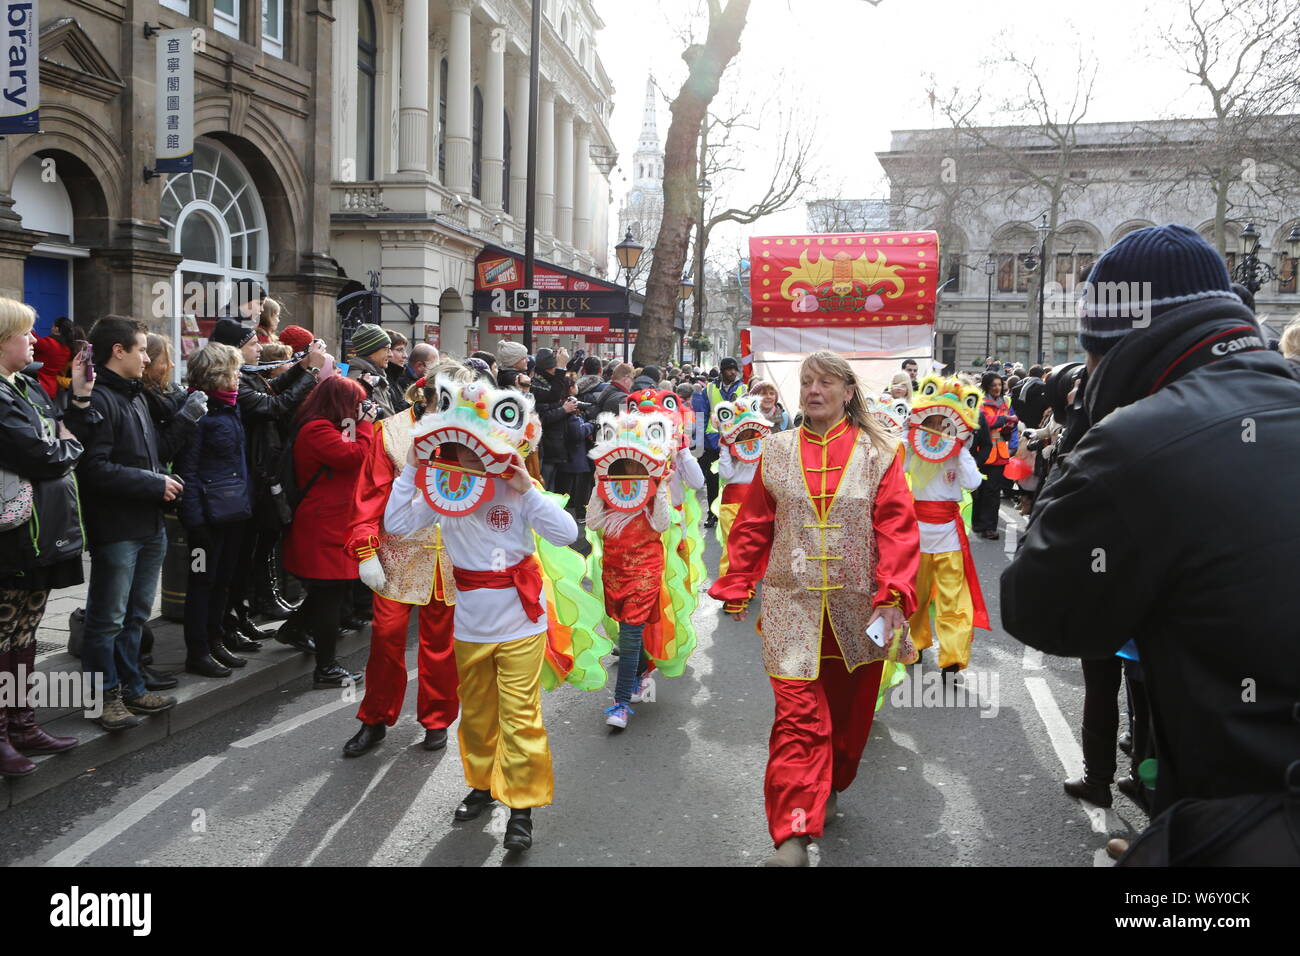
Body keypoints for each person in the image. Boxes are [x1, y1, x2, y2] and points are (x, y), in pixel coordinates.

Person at [1003, 223, 1300, 820]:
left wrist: (1086, 433)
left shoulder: (1133, 442)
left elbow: (1037, 608)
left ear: (1111, 346)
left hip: (1237, 820)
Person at [707, 351, 919, 867]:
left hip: (859, 611)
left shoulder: (880, 451)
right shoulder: (775, 450)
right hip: (790, 607)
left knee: (847, 727)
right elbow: (755, 523)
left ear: (848, 392)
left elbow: (896, 526)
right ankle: (792, 835)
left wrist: (893, 593)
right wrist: (737, 580)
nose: (813, 390)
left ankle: (832, 780)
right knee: (798, 720)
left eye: (825, 382)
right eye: (806, 381)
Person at [384, 373, 579, 852]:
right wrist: (411, 468)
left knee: (521, 716)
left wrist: (526, 486)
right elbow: (396, 524)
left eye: (478, 445)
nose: (469, 456)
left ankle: (522, 808)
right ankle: (483, 786)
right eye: (460, 445)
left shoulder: (517, 487)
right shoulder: (443, 489)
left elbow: (568, 533)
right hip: (470, 621)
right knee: (476, 715)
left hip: (520, 619)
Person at [72, 317, 206, 730]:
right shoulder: (97, 400)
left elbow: (156, 452)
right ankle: (102, 697)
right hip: (117, 528)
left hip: (148, 524)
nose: (148, 358)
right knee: (107, 618)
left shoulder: (135, 397)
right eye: (142, 350)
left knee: (134, 617)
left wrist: (167, 476)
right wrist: (153, 482)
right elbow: (93, 469)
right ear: (119, 351)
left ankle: (130, 686)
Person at [342, 372, 460, 757]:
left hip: (450, 557)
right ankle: (375, 718)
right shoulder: (389, 432)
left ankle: (438, 718)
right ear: (424, 398)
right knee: (386, 640)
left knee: (440, 646)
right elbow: (369, 495)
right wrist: (365, 550)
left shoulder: (466, 433)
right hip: (398, 556)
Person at [0, 299, 84, 775]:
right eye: (25, 334)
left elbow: (55, 434)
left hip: (39, 532)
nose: (34, 341)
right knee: (2, 634)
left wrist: (62, 438)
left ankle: (22, 724)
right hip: (9, 535)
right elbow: (41, 452)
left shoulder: (27, 384)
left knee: (25, 632)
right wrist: (66, 443)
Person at [213, 318, 321, 642]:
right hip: (245, 478)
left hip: (258, 475)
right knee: (238, 558)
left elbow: (275, 388)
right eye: (251, 344)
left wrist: (301, 367)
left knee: (251, 552)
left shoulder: (247, 377)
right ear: (235, 350)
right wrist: (311, 374)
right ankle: (228, 622)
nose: (258, 347)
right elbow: (273, 405)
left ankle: (241, 615)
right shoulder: (234, 383)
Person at [279, 375, 373, 688]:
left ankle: (294, 629)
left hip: (334, 522)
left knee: (330, 591)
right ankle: (326, 668)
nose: (360, 409)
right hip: (322, 525)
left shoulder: (328, 428)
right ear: (340, 404)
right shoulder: (317, 429)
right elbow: (353, 456)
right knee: (329, 594)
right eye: (356, 403)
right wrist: (366, 425)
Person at [177, 343, 254, 678]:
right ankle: (198, 651)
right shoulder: (199, 412)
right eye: (233, 370)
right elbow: (187, 469)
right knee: (202, 583)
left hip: (234, 511)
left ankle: (215, 639)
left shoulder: (230, 408)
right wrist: (195, 522)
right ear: (217, 373)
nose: (238, 376)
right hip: (206, 517)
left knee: (222, 581)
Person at [903, 375, 989, 675]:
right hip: (917, 532)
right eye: (934, 417)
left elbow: (974, 482)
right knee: (916, 594)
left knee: (953, 597)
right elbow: (894, 468)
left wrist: (962, 450)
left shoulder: (958, 451)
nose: (938, 424)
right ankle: (914, 644)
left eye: (944, 420)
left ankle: (952, 655)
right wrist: (908, 439)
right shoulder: (912, 447)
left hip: (948, 534)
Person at [699, 356, 747, 528]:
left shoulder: (743, 389)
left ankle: (733, 512)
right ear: (722, 370)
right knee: (713, 479)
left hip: (736, 442)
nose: (733, 372)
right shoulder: (709, 389)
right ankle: (712, 514)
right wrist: (704, 443)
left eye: (735, 369)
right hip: (714, 442)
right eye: (729, 369)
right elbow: (702, 415)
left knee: (733, 479)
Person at [971, 372, 1015, 539]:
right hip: (982, 452)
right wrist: (1006, 420)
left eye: (999, 385)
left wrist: (1009, 433)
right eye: (993, 385)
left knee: (993, 491)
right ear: (987, 386)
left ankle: (990, 527)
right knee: (979, 490)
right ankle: (977, 523)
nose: (997, 388)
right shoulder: (979, 402)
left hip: (1000, 453)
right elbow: (987, 423)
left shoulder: (1006, 401)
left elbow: (1010, 426)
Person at [346, 323, 397, 418]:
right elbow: (388, 420)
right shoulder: (365, 379)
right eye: (386, 349)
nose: (391, 355)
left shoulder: (374, 374)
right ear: (370, 351)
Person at [32, 316, 76, 401]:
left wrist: (28, 327)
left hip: (39, 385)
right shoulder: (67, 349)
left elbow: (33, 341)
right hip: (52, 388)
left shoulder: (50, 343)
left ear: (56, 329)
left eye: (53, 326)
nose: (51, 328)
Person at [383, 329, 411, 411]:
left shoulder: (396, 377)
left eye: (404, 350)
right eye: (399, 350)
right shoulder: (383, 378)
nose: (405, 355)